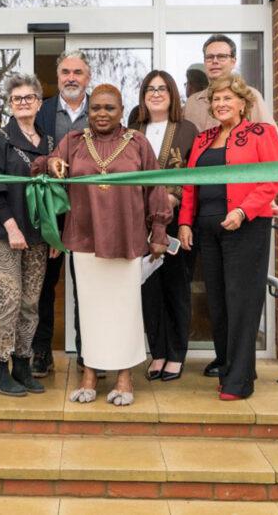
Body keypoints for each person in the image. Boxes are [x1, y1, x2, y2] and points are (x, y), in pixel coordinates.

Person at [35, 84, 171, 407]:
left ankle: (125, 377)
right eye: (95, 107)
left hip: (127, 237)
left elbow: (155, 188)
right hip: (84, 239)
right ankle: (90, 375)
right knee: (91, 312)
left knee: (125, 310)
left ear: (122, 110)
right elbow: (42, 166)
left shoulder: (137, 142)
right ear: (88, 110)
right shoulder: (74, 142)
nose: (101, 114)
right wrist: (50, 166)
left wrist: (160, 231)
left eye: (109, 108)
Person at [178, 75, 278, 400]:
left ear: (242, 103)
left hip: (245, 227)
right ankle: (230, 366)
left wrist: (243, 212)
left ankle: (239, 382)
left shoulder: (260, 133)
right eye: (216, 100)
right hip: (207, 230)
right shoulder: (204, 138)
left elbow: (272, 179)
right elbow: (190, 183)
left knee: (242, 303)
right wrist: (184, 222)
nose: (221, 104)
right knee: (219, 305)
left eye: (227, 98)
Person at [0, 74, 53, 397]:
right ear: (10, 104)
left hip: (37, 236)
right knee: (9, 298)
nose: (23, 103)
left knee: (31, 303)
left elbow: (53, 193)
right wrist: (11, 226)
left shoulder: (47, 143)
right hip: (3, 232)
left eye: (28, 98)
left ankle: (22, 364)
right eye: (17, 99)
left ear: (39, 102)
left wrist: (52, 236)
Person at [129, 70, 197, 382]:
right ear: (143, 96)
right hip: (138, 222)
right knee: (148, 289)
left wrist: (173, 197)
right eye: (150, 89)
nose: (156, 94)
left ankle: (176, 354)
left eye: (162, 89)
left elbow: (193, 175)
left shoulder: (186, 129)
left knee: (175, 287)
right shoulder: (133, 129)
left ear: (172, 95)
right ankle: (157, 352)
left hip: (173, 221)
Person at [30, 50, 91, 378]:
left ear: (87, 77)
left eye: (77, 72)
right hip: (52, 209)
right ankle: (42, 353)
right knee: (44, 284)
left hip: (88, 211)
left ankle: (88, 353)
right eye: (65, 71)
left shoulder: (99, 109)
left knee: (87, 284)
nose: (71, 77)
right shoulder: (44, 110)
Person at [183, 34, 278, 138]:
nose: (214, 61)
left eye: (221, 57)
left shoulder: (249, 96)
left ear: (233, 62)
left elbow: (271, 138)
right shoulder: (191, 102)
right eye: (209, 57)